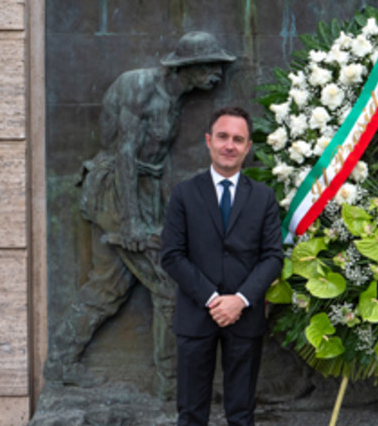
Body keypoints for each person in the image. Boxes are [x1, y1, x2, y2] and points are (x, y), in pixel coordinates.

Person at [44, 31, 235, 399]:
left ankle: (61, 362)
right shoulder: (139, 86)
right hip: (115, 190)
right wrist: (131, 222)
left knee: (109, 286)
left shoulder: (176, 97)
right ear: (189, 66)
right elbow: (125, 156)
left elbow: (157, 162)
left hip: (141, 190)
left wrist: (169, 214)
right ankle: (174, 384)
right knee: (170, 284)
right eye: (211, 65)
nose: (218, 74)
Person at [161, 106, 283, 426]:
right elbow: (172, 255)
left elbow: (273, 257)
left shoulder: (263, 198)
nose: (230, 144)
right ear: (208, 141)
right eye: (223, 136)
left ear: (248, 148)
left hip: (245, 320)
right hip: (197, 317)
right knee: (191, 410)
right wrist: (215, 298)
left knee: (240, 409)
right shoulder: (184, 194)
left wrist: (242, 300)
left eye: (238, 139)